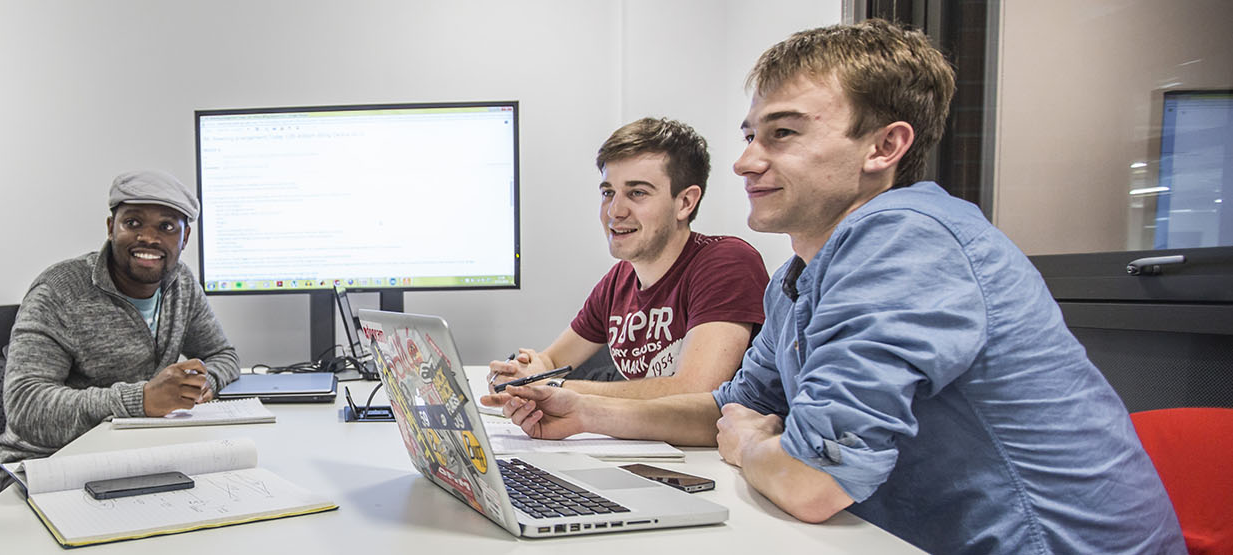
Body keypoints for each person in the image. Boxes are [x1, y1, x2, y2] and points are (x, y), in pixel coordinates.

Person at [484, 20, 1183, 553]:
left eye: (782, 133)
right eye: (751, 133)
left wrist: (757, 446)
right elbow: (726, 408)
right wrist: (583, 410)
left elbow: (814, 481)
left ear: (884, 148)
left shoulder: (906, 238)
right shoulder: (797, 279)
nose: (746, 159)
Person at [488, 118, 767, 399]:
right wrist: (521, 375)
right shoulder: (619, 280)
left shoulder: (727, 263)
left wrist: (550, 387)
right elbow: (551, 363)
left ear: (685, 203)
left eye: (637, 193)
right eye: (608, 192)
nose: (615, 211)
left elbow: (694, 392)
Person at [0, 170, 240, 465]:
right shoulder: (59, 291)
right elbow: (26, 406)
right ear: (111, 228)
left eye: (166, 226)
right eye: (133, 222)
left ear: (185, 237)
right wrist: (141, 400)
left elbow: (222, 355)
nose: (149, 237)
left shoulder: (181, 284)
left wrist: (203, 383)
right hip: (50, 463)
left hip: (138, 453)